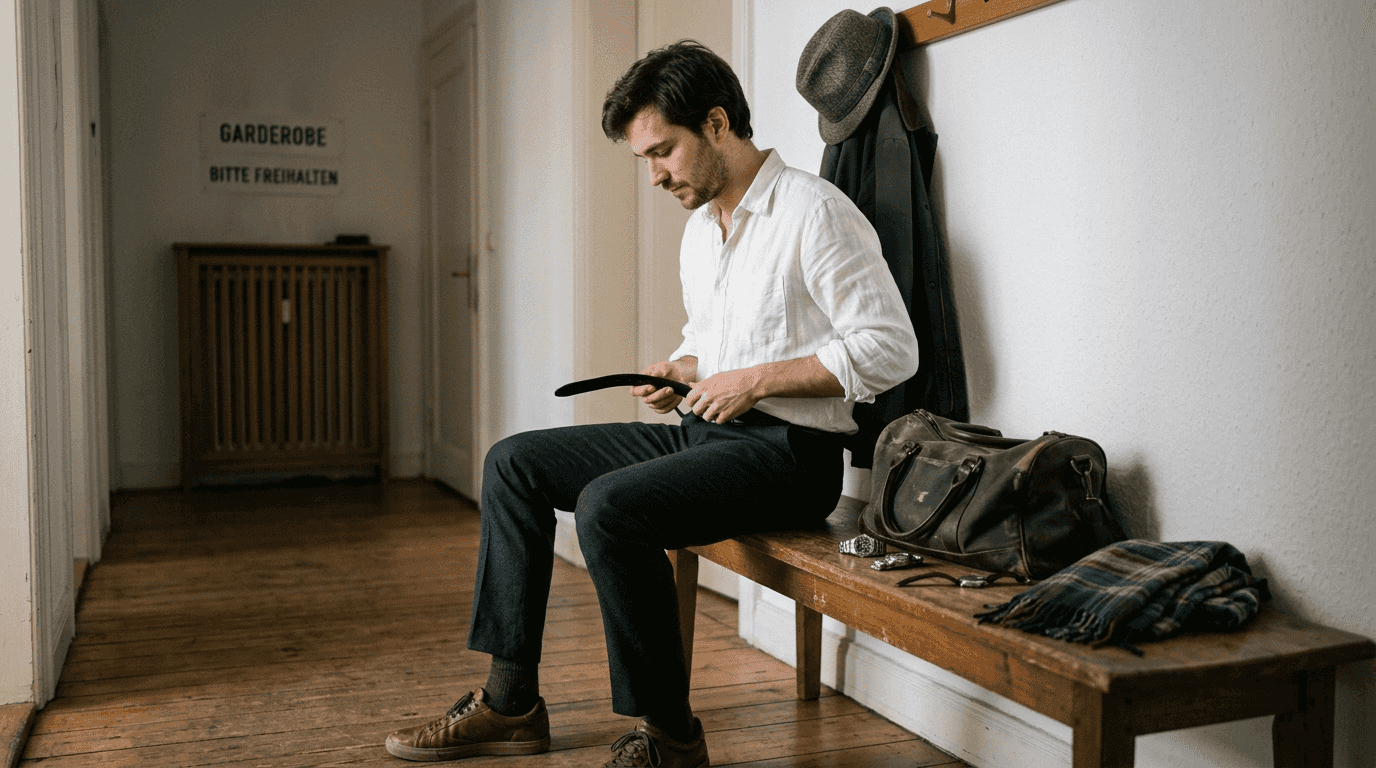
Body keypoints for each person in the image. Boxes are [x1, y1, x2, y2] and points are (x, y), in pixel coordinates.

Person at [384, 40, 918, 768]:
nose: (656, 175)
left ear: (719, 124)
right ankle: (511, 703)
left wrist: (754, 381)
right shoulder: (702, 231)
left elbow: (891, 349)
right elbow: (715, 343)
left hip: (789, 458)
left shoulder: (815, 213)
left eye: (663, 151)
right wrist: (683, 369)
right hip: (708, 433)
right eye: (644, 159)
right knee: (512, 463)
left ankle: (672, 737)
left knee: (610, 508)